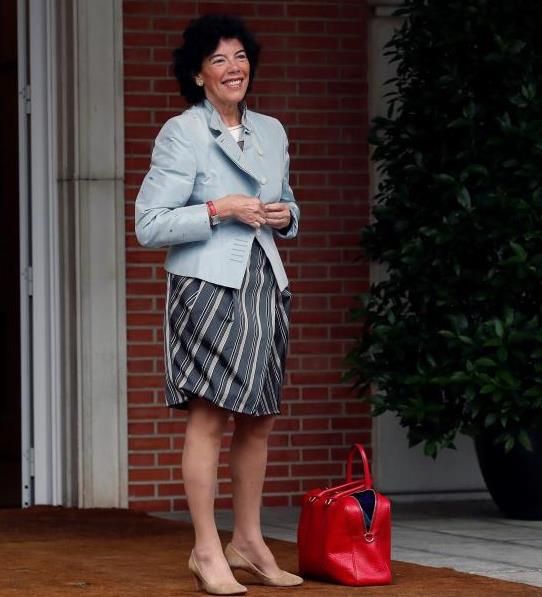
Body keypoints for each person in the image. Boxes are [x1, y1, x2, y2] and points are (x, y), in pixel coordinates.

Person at [135, 13, 302, 596]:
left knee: (260, 417)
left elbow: (287, 202)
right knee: (209, 417)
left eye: (240, 56)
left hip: (264, 282)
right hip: (206, 287)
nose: (234, 68)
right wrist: (218, 209)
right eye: (219, 60)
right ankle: (206, 549)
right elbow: (149, 225)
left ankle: (248, 541)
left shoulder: (272, 131)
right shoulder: (182, 132)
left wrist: (284, 215)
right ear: (198, 75)